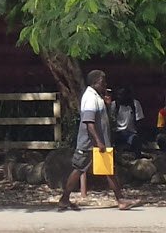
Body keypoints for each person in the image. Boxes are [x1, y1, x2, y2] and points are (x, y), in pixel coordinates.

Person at [58, 70, 141, 211]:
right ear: (95, 82)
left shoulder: (97, 97)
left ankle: (120, 200)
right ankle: (65, 198)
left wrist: (107, 105)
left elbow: (100, 120)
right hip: (90, 143)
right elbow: (88, 122)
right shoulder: (90, 97)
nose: (106, 85)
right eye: (103, 82)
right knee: (79, 169)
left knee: (108, 169)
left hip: (98, 142)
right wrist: (98, 141)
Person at [109, 86, 144, 157]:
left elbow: (139, 121)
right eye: (118, 95)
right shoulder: (114, 105)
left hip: (131, 133)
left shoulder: (135, 104)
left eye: (122, 95)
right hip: (118, 132)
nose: (119, 97)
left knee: (136, 141)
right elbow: (111, 121)